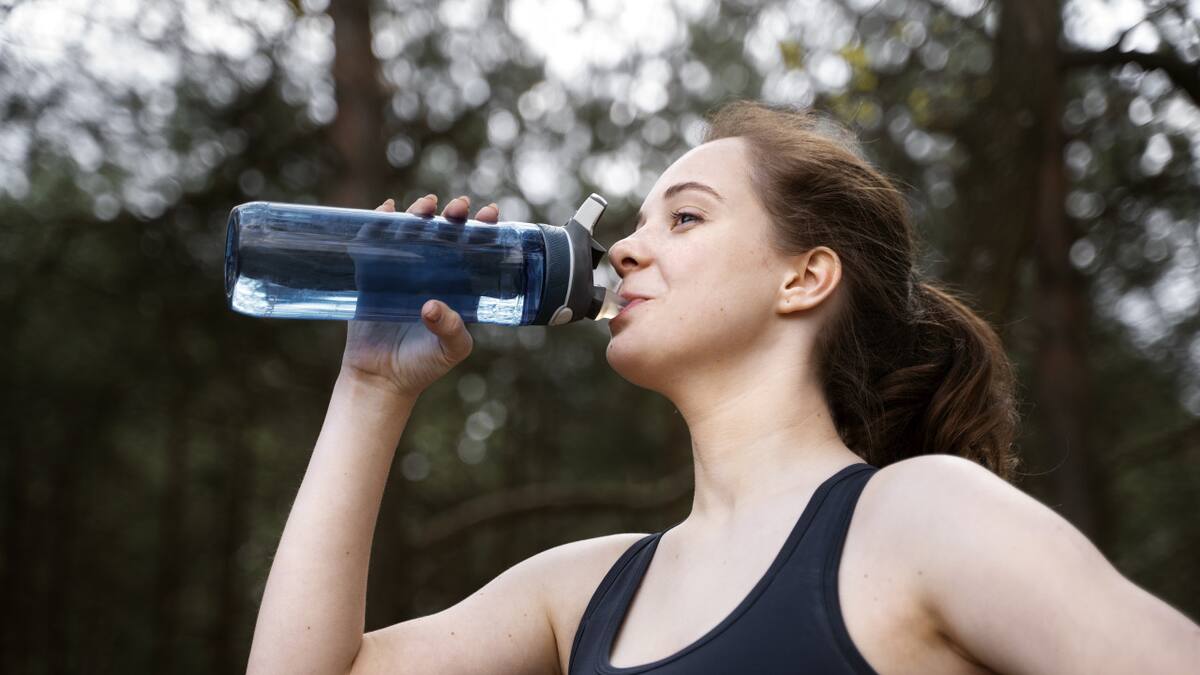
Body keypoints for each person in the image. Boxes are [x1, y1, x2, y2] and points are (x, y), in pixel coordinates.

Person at [246, 100, 1199, 674]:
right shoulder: (586, 591)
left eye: (686, 217)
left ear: (804, 277)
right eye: (637, 223)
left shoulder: (923, 519)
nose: (623, 246)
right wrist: (372, 386)